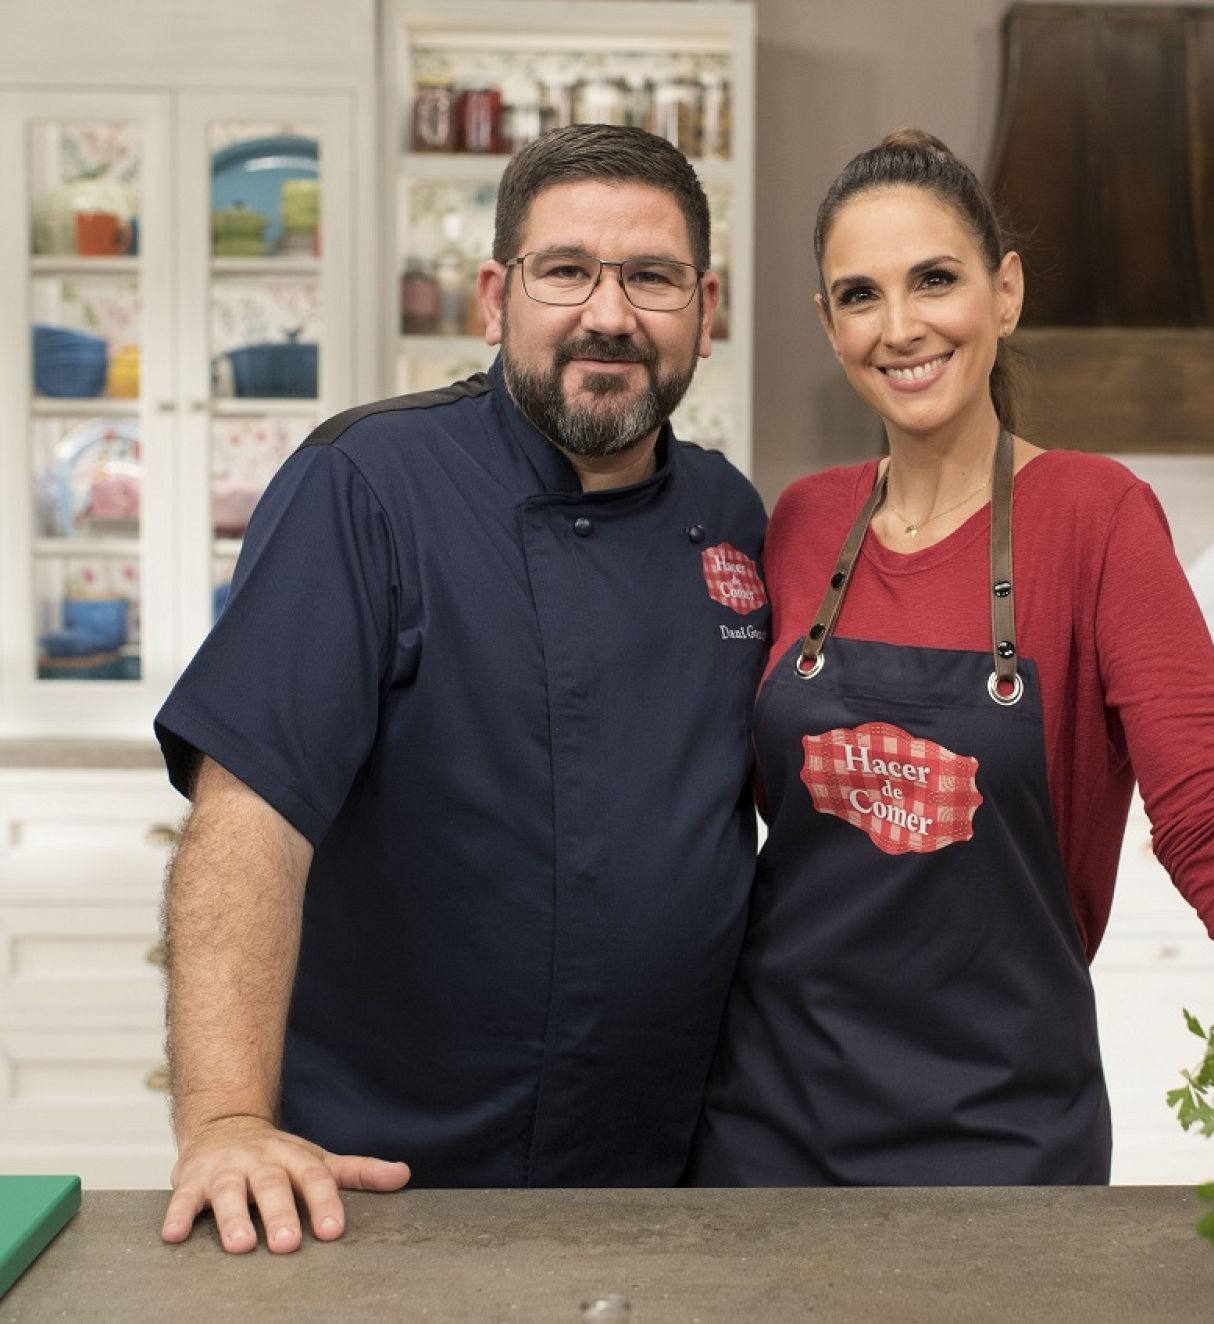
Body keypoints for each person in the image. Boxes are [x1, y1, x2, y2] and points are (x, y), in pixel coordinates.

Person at [153, 123, 769, 1252]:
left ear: (706, 307)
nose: (610, 315)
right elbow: (249, 820)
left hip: (667, 1183)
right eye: (567, 270)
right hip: (383, 1187)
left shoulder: (727, 516)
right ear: (495, 296)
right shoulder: (367, 485)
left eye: (652, 277)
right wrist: (229, 1119)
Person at [687, 130, 1214, 1186]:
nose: (900, 328)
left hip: (1004, 1132)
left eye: (934, 280)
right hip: (769, 1122)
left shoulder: (1097, 518)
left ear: (1005, 292)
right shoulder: (801, 522)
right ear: (827, 324)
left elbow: (1211, 807)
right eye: (860, 295)